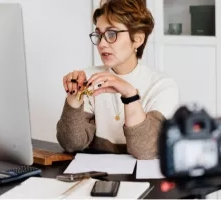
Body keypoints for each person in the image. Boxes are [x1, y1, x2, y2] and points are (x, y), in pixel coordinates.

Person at [56, 0, 179, 159]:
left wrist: (130, 96)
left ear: (138, 39)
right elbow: (71, 144)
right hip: (97, 176)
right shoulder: (88, 79)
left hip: (142, 180)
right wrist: (74, 97)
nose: (101, 44)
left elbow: (146, 150)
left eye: (112, 34)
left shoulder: (162, 86)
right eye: (99, 35)